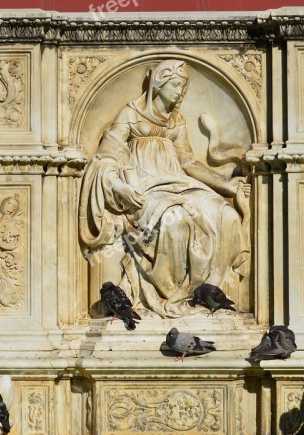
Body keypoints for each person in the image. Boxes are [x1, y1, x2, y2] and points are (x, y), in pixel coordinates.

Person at [78, 59, 250, 317]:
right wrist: (119, 187)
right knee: (175, 219)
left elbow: (189, 162)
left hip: (179, 183)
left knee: (226, 214)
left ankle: (210, 291)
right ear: (159, 83)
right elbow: (107, 157)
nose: (180, 92)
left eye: (183, 87)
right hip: (144, 189)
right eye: (176, 85)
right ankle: (173, 295)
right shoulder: (131, 114)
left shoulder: (177, 120)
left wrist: (224, 184)